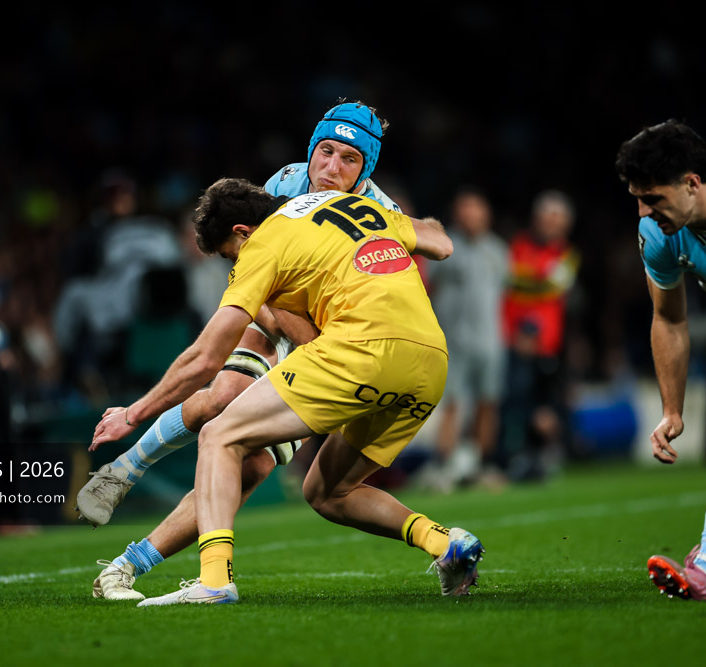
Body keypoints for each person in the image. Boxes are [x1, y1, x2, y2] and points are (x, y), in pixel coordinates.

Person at [92, 178, 484, 606]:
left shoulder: (265, 242)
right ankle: (446, 544)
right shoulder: (354, 206)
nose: (234, 265)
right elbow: (441, 243)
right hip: (429, 360)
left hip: (359, 348)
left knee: (220, 435)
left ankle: (214, 581)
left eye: (230, 256)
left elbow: (206, 356)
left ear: (243, 231)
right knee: (328, 492)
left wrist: (133, 414)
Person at [81, 102, 405, 600]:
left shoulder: (385, 218)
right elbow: (253, 282)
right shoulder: (286, 184)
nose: (330, 169)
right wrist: (276, 315)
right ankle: (128, 466)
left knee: (249, 466)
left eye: (348, 160)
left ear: (367, 170)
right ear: (311, 150)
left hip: (332, 344)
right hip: (277, 314)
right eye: (325, 152)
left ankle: (128, 565)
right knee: (219, 398)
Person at [616, 119, 706, 602]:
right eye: (637, 198)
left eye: (652, 198)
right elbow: (669, 320)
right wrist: (672, 410)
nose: (643, 211)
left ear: (692, 183)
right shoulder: (658, 236)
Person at [424, 187, 509, 489]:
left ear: (486, 215)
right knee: (453, 403)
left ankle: (482, 465)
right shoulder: (442, 247)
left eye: (477, 209)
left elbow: (503, 294)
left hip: (490, 341)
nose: (471, 216)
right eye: (466, 209)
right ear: (457, 215)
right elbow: (428, 289)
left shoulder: (498, 250)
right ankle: (441, 466)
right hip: (453, 341)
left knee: (488, 403)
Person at [498, 189, 580, 480]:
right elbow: (509, 282)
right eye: (546, 217)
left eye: (556, 218)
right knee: (513, 402)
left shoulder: (569, 256)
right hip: (511, 340)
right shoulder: (517, 246)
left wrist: (524, 280)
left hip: (547, 343)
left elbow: (550, 289)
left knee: (546, 405)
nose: (550, 223)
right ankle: (512, 458)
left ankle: (544, 456)